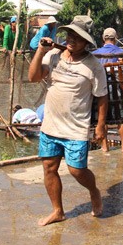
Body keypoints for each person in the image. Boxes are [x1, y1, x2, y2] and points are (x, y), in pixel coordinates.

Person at [28, 15, 107, 226]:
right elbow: (34, 77)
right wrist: (40, 51)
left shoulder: (94, 66)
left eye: (78, 38)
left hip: (76, 128)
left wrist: (100, 125)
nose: (72, 40)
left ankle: (94, 191)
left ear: (87, 43)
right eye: (70, 35)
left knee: (76, 170)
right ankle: (58, 211)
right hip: (51, 125)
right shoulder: (54, 55)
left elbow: (102, 96)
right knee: (49, 168)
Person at [92, 27, 123, 153]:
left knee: (103, 116)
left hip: (100, 87)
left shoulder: (95, 53)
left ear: (103, 38)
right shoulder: (121, 52)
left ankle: (104, 146)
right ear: (115, 38)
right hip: (117, 87)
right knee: (121, 117)